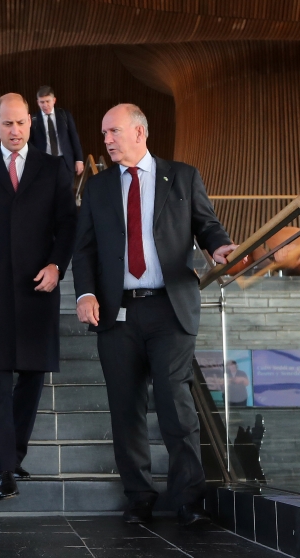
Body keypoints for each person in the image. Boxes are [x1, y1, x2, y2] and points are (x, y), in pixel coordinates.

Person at [73, 104, 238, 527]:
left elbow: (207, 224)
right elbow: (85, 248)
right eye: (104, 132)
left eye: (114, 131)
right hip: (116, 314)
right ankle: (139, 496)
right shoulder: (98, 187)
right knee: (125, 409)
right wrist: (86, 294)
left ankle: (188, 498)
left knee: (175, 404)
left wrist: (219, 247)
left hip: (170, 307)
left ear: (139, 132)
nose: (106, 140)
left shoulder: (182, 176)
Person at [0, 93, 76, 501]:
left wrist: (58, 265)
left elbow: (67, 225)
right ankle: (4, 467)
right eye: (8, 124)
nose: (15, 131)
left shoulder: (53, 168)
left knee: (33, 376)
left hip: (39, 286)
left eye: (21, 123)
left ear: (31, 124)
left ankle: (15, 452)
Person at [30, 86, 84, 177]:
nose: (45, 105)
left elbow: (74, 137)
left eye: (48, 101)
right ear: (37, 102)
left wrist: (79, 159)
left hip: (65, 160)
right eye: (42, 102)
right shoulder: (33, 119)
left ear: (54, 100)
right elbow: (30, 142)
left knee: (66, 189)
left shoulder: (64, 115)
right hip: (44, 161)